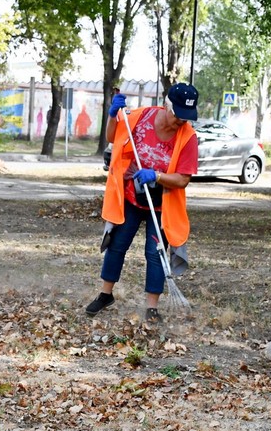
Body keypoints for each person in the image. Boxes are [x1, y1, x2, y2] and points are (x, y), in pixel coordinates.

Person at [86, 82, 200, 323]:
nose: (182, 122)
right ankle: (105, 294)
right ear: (167, 106)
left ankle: (152, 307)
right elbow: (111, 137)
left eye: (186, 118)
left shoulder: (188, 137)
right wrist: (112, 116)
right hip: (129, 197)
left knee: (155, 252)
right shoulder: (139, 118)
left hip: (162, 204)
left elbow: (183, 179)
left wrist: (156, 175)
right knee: (117, 244)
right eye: (179, 116)